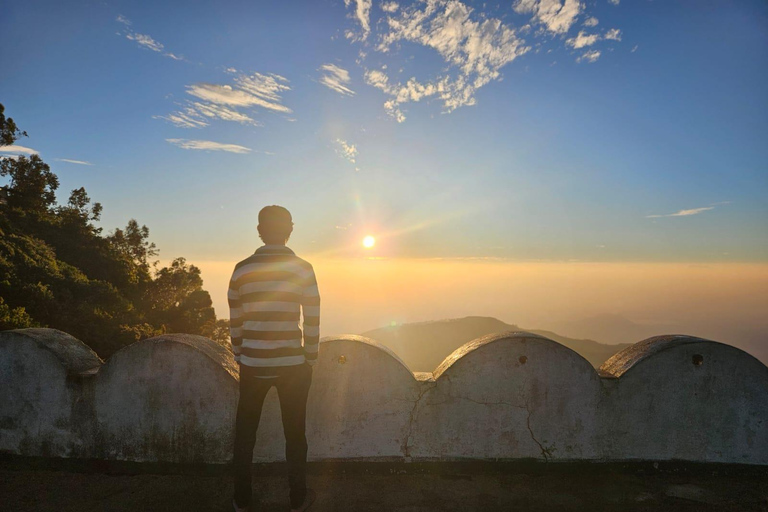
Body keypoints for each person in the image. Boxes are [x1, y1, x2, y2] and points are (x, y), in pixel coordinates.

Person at [229, 205, 320, 512]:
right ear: (290, 230)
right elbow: (312, 317)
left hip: (253, 364)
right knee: (295, 433)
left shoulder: (241, 269)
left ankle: (242, 499)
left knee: (245, 434)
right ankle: (297, 498)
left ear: (259, 231)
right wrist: (311, 357)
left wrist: (242, 355)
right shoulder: (303, 268)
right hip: (293, 364)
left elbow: (236, 322)